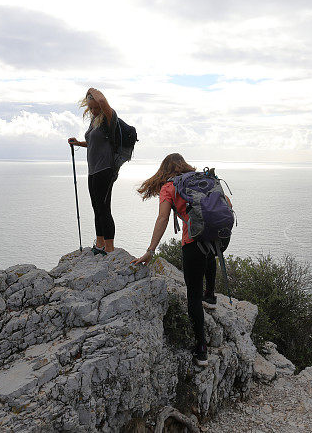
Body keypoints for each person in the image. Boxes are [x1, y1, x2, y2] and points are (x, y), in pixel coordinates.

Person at [132, 153, 230, 367]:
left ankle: (202, 349)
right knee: (209, 253)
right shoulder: (207, 178)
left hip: (192, 242)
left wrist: (151, 250)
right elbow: (228, 204)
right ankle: (211, 296)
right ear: (185, 165)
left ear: (164, 170)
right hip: (217, 235)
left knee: (192, 296)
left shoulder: (170, 186)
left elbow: (163, 218)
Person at [67, 87, 118, 255]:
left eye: (96, 107)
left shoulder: (109, 118)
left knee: (104, 208)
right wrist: (78, 143)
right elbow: (93, 143)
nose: (95, 110)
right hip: (93, 170)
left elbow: (103, 101)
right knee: (96, 208)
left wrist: (90, 90)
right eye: (91, 108)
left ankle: (109, 248)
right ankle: (99, 243)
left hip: (105, 170)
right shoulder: (94, 120)